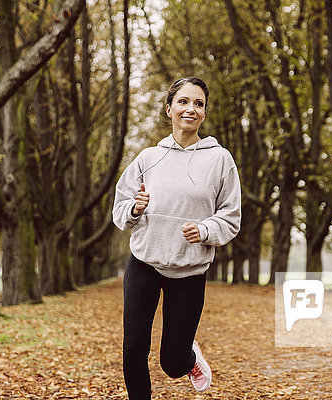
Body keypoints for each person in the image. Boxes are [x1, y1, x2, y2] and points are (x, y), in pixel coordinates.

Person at [112, 77, 241, 399]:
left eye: (198, 104)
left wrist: (206, 230)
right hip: (144, 263)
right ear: (169, 109)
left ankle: (190, 357)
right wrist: (135, 209)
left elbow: (231, 215)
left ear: (204, 113)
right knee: (133, 348)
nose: (191, 109)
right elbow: (120, 209)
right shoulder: (148, 157)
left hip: (190, 271)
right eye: (183, 102)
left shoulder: (220, 159)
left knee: (172, 363)